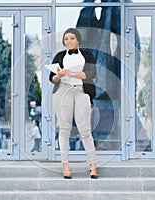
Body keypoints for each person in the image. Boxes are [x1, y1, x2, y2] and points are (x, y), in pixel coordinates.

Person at [49, 28, 98, 179]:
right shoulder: (59, 56)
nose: (68, 41)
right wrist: (59, 75)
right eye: (66, 39)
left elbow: (91, 74)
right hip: (63, 92)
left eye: (71, 38)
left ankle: (93, 165)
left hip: (81, 91)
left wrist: (72, 74)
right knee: (64, 129)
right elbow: (52, 79)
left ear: (78, 40)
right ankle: (65, 165)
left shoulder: (87, 55)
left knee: (85, 129)